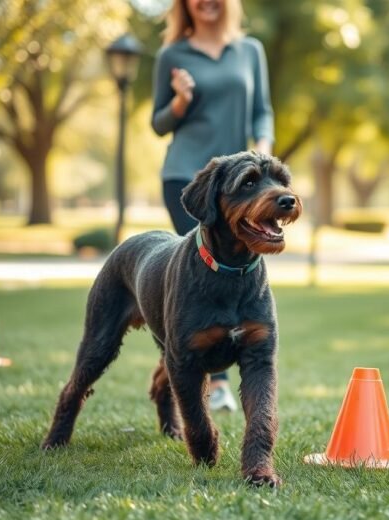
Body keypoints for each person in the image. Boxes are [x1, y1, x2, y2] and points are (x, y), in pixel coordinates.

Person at [151, 0, 275, 412]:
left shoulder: (249, 50)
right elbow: (158, 122)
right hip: (187, 176)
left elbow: (263, 113)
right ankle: (216, 383)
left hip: (242, 183)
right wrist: (181, 100)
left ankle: (175, 367)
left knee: (234, 271)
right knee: (199, 277)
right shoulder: (173, 54)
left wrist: (263, 153)